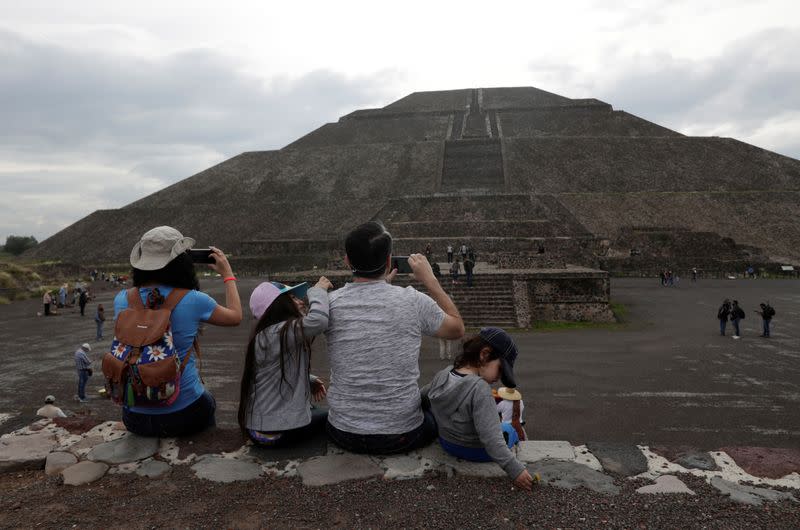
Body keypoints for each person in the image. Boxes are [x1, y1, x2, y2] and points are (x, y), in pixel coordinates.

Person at [324, 221, 464, 454]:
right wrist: (430, 280)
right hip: (401, 434)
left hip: (343, 432)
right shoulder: (412, 300)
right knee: (438, 400)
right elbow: (457, 328)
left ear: (347, 260)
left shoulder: (330, 303)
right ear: (389, 261)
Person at [114, 226, 242, 437]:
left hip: (134, 416)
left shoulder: (122, 299)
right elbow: (235, 316)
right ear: (182, 261)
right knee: (207, 401)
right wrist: (227, 274)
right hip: (184, 413)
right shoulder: (193, 299)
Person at [425, 328, 535, 491]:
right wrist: (515, 470)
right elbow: (491, 441)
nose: (499, 378)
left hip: (447, 443)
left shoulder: (443, 375)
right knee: (508, 428)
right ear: (484, 355)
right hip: (474, 450)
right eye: (500, 369)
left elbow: (422, 397)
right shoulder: (480, 389)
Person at [238, 277, 332, 447]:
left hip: (256, 430)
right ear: (279, 305)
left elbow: (270, 373)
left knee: (313, 409)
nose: (301, 301)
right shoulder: (283, 331)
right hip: (278, 434)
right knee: (334, 417)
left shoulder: (264, 335)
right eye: (293, 298)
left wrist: (308, 380)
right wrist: (319, 291)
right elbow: (319, 321)